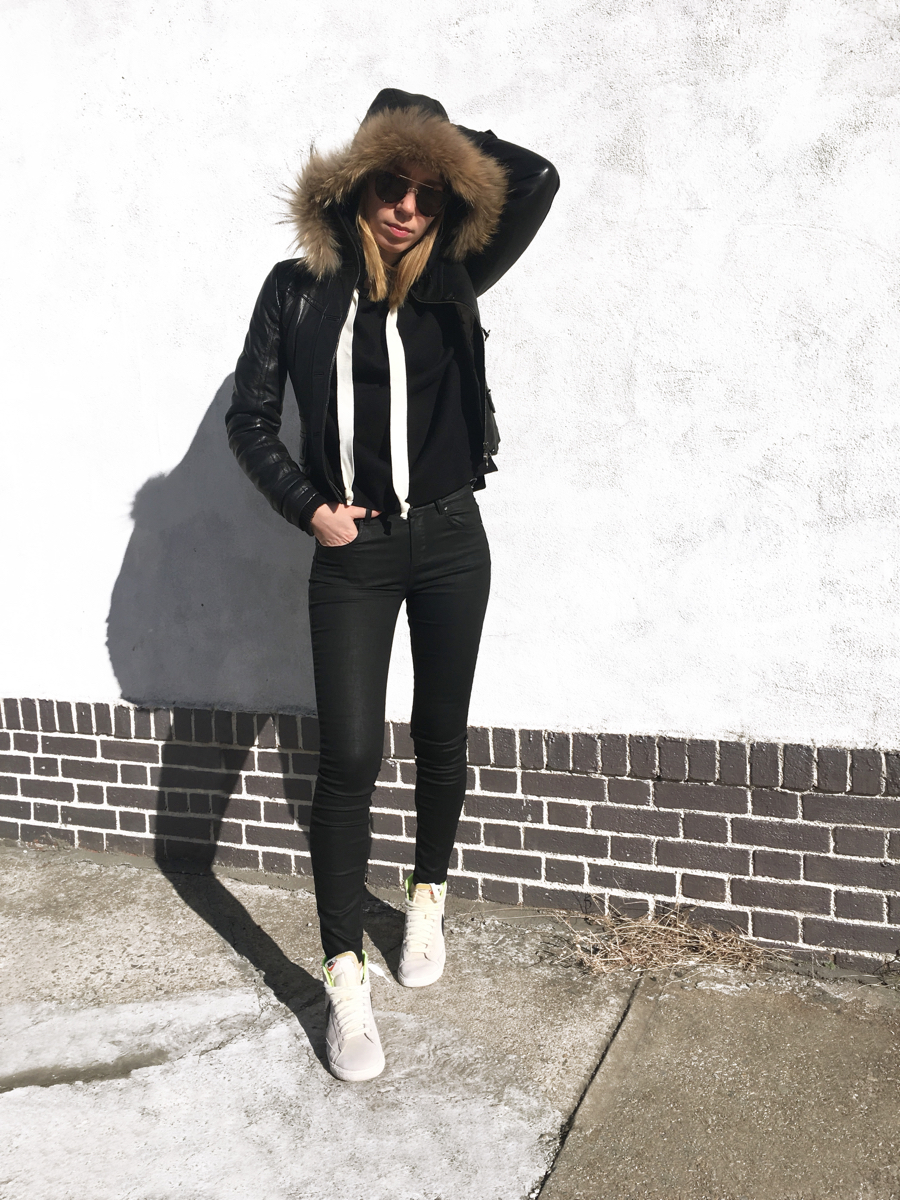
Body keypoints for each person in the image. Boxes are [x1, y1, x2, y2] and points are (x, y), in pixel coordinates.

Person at [226, 88, 558, 1081]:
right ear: (354, 182)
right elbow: (249, 418)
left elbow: (537, 178)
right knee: (351, 757)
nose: (408, 204)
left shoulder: (455, 272)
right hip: (355, 553)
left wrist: (442, 142)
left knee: (442, 735)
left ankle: (424, 899)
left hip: (453, 537)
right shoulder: (294, 288)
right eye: (390, 179)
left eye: (428, 186)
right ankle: (342, 983)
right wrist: (307, 507)